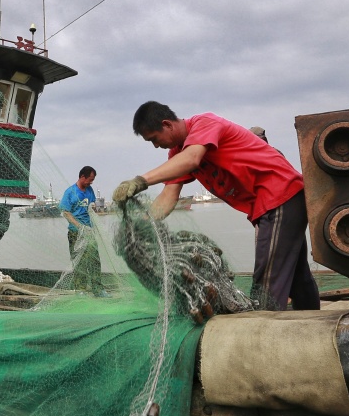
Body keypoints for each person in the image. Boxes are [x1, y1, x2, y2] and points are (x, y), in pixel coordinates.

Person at [112, 102, 320, 312]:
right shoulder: (177, 154)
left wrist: (141, 181)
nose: (156, 146)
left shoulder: (204, 123)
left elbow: (192, 159)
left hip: (280, 195)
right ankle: (312, 322)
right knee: (297, 276)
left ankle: (261, 329)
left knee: (267, 279)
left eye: (154, 139)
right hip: (277, 201)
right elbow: (169, 195)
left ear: (167, 124)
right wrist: (143, 225)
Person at [60, 166, 106, 296]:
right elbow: (65, 212)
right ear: (82, 177)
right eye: (90, 179)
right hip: (75, 233)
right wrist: (80, 227)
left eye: (93, 180)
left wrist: (94, 220)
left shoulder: (89, 190)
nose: (91, 182)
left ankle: (98, 290)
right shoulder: (70, 192)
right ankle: (81, 290)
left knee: (94, 260)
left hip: (89, 232)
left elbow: (91, 207)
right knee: (79, 262)